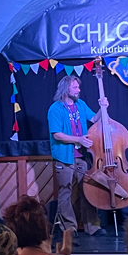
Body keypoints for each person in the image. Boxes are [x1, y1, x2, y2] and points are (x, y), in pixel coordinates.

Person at [47, 75, 105, 236]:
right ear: (66, 88)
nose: (78, 90)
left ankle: (92, 227)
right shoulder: (55, 109)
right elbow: (57, 134)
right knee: (65, 191)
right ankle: (69, 228)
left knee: (87, 189)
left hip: (81, 156)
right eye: (75, 87)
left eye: (78, 87)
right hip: (65, 157)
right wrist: (78, 139)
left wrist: (103, 108)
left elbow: (94, 118)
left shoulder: (80, 104)